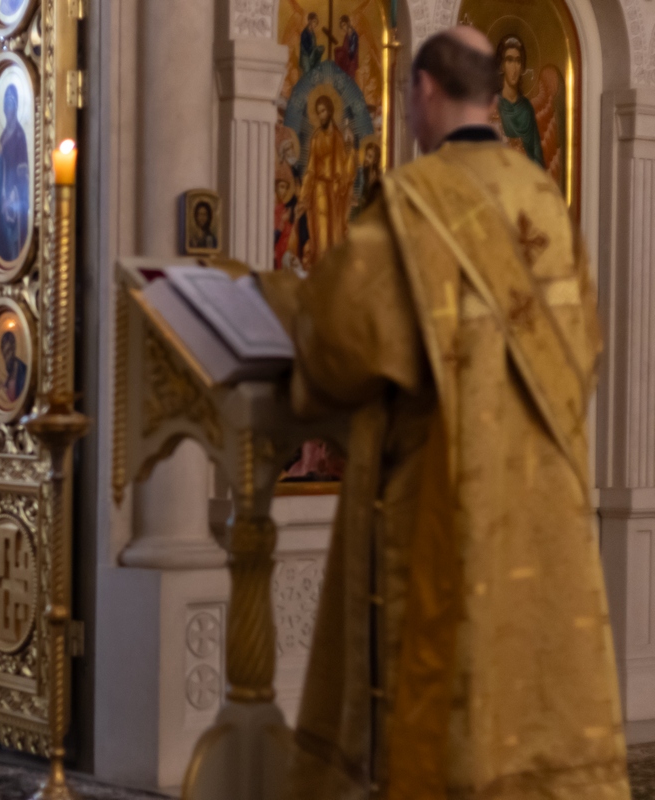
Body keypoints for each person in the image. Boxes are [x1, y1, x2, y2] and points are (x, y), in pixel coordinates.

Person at [261, 27, 628, 798]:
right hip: (543, 499)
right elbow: (587, 345)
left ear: (424, 90)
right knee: (527, 689)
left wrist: (281, 301)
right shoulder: (546, 202)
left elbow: (341, 340)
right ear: (491, 97)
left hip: (443, 496)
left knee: (449, 684)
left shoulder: (414, 206)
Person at [299, 94, 354, 268]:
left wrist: (350, 151)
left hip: (335, 192)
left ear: (330, 111)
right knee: (321, 233)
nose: (320, 116)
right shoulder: (316, 138)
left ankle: (333, 272)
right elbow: (311, 169)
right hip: (320, 191)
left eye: (323, 111)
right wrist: (304, 195)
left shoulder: (338, 137)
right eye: (318, 112)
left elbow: (344, 169)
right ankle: (321, 270)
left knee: (334, 234)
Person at [0, 84, 30, 263]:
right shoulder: (3, 135)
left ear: (16, 107)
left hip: (15, 201)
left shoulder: (20, 136)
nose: (7, 109)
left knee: (14, 244)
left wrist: (11, 198)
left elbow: (23, 173)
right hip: (2, 199)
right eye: (5, 105)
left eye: (10, 104)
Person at [493, 35, 545, 168]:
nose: (514, 68)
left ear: (522, 66)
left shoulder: (526, 108)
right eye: (509, 60)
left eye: (518, 61)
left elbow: (537, 157)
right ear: (502, 65)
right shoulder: (493, 106)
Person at [0, 330, 27, 404]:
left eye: (8, 352)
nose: (6, 358)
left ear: (14, 348)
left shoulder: (24, 372)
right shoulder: (8, 375)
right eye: (4, 355)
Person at [335, 15, 358, 80]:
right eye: (342, 26)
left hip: (351, 62)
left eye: (344, 25)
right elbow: (345, 47)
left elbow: (352, 50)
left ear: (348, 23)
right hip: (347, 61)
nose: (344, 28)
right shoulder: (347, 35)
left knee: (350, 79)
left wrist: (344, 52)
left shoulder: (353, 34)